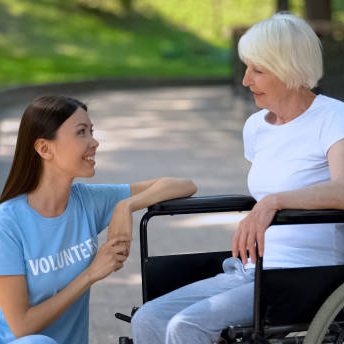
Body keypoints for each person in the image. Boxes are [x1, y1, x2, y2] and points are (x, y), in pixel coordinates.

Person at [131, 12, 344, 344]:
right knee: (148, 319)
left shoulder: (333, 118)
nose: (246, 80)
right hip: (249, 269)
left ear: (290, 71)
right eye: (247, 67)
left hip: (304, 275)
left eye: (258, 70)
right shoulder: (257, 127)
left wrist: (274, 202)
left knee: (185, 326)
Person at [0, 95, 197, 344]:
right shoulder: (7, 224)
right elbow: (21, 327)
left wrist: (127, 206)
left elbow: (184, 185)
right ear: (44, 148)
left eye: (91, 131)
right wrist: (91, 274)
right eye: (81, 132)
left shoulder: (88, 201)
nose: (94, 142)